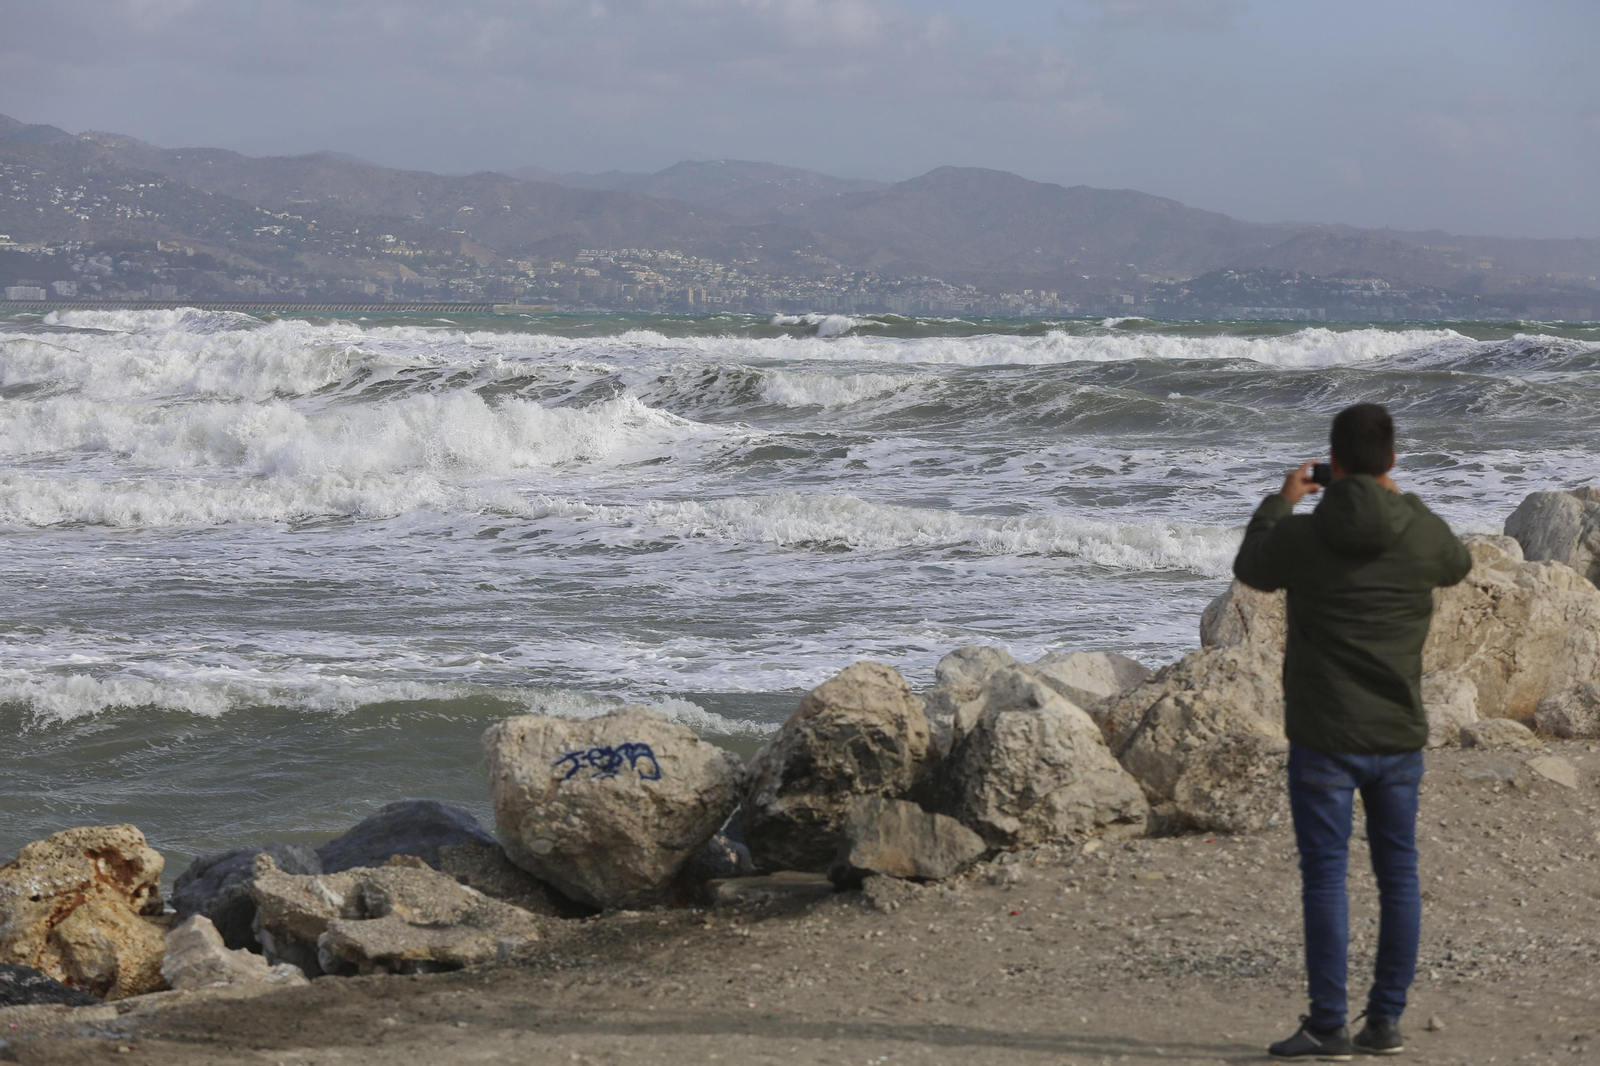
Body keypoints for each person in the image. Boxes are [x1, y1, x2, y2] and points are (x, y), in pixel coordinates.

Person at [1231, 403, 1472, 1060]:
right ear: (1390, 462)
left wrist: (1282, 500)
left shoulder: (1304, 537)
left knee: (1326, 877)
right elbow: (1457, 561)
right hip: (1396, 734)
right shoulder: (1417, 533)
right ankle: (1385, 1022)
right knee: (1399, 875)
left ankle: (1328, 1024)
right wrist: (1400, 496)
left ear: (1330, 465)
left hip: (1324, 737)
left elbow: (1251, 566)